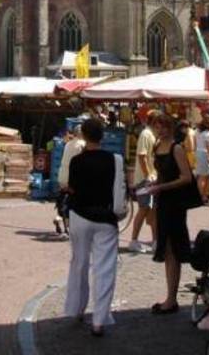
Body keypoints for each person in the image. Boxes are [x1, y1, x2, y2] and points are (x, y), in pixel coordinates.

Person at [63, 117, 125, 337]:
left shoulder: (76, 161)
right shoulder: (114, 160)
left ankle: (75, 309)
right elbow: (119, 190)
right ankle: (99, 320)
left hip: (79, 214)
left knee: (78, 262)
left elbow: (70, 187)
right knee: (104, 268)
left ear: (84, 135)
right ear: (103, 135)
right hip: (105, 217)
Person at [147, 112, 193, 314]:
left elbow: (186, 178)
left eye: (164, 126)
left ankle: (171, 299)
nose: (161, 130)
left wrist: (162, 187)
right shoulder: (157, 146)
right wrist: (155, 183)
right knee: (166, 248)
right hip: (162, 201)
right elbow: (162, 174)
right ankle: (170, 296)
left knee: (173, 248)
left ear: (170, 127)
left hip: (174, 203)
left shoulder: (176, 149)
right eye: (157, 126)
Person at [127, 111, 157, 253]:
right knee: (144, 209)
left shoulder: (151, 134)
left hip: (151, 178)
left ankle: (155, 240)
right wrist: (148, 176)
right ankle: (134, 240)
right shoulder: (146, 134)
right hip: (145, 179)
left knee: (152, 210)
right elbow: (142, 156)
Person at [55, 126, 86, 235]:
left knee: (65, 199)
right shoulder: (82, 145)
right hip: (72, 178)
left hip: (62, 176)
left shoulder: (68, 144)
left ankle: (59, 218)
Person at [194, 117, 209, 202]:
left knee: (202, 176)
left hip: (198, 153)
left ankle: (202, 195)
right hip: (204, 154)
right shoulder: (208, 133)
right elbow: (208, 147)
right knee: (205, 176)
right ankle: (202, 196)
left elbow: (196, 144)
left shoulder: (197, 132)